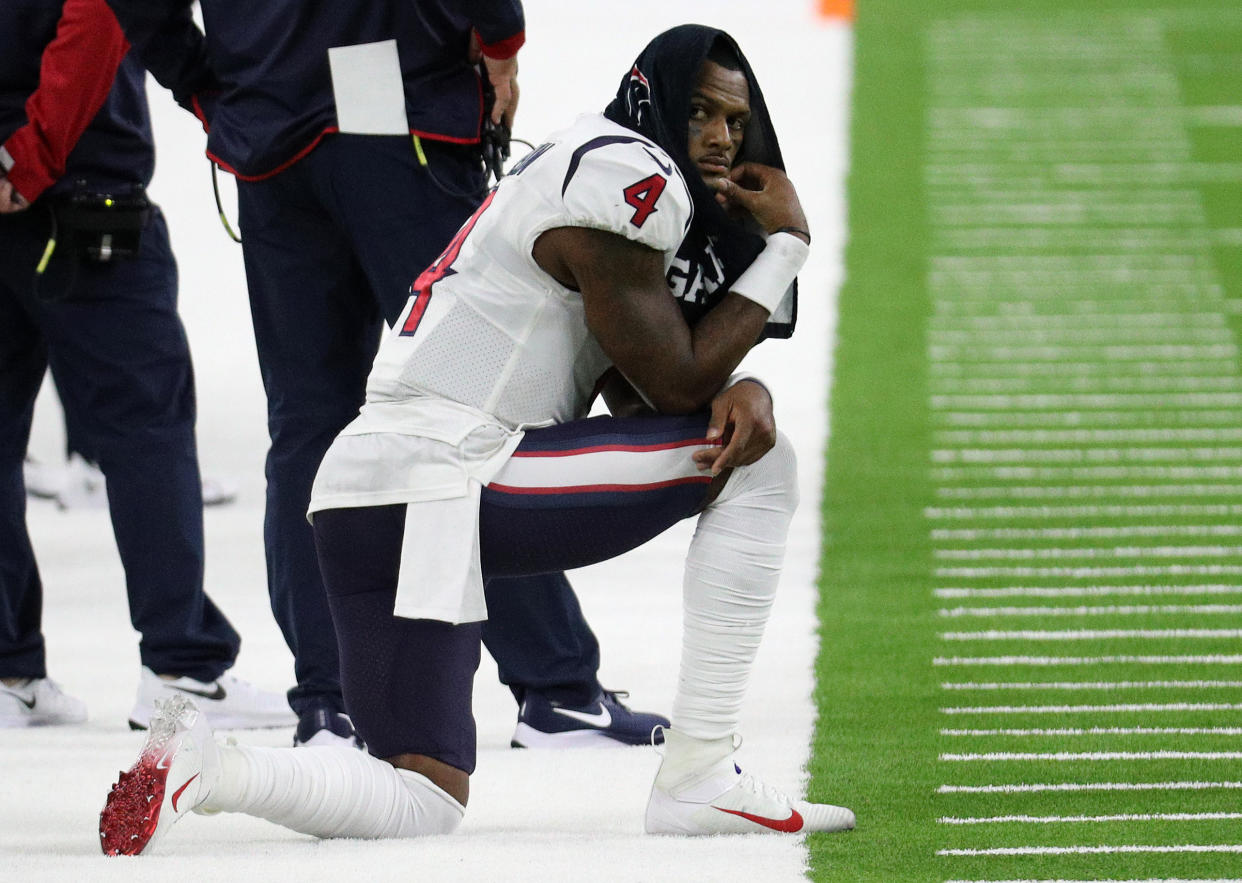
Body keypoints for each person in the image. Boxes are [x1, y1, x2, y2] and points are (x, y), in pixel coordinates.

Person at [98, 25, 856, 852]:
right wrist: (784, 247)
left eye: (736, 122)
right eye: (703, 110)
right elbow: (678, 385)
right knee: (761, 464)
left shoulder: (577, 164)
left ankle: (211, 767)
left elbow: (649, 410)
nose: (718, 137)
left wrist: (736, 385)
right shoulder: (630, 173)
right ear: (655, 95)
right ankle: (703, 770)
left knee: (420, 794)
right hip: (452, 473)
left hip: (363, 496)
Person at [103, 0, 669, 749]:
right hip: (399, 118)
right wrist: (500, 37)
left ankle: (328, 701)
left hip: (271, 128)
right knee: (468, 408)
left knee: (308, 425)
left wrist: (206, 83)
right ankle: (555, 684)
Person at [0, 0, 290, 730]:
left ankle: (9, 670)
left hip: (43, 187)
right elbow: (98, 17)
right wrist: (27, 158)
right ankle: (181, 666)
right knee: (146, 431)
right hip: (76, 194)